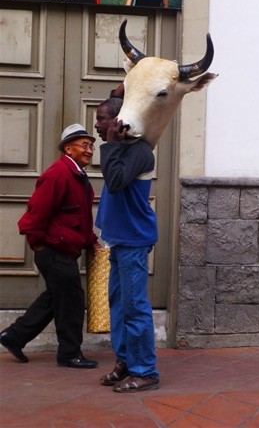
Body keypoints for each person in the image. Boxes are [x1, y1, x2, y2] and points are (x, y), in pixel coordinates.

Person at [0, 124, 99, 369]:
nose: (90, 151)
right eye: (84, 145)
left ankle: (14, 336)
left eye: (91, 146)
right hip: (53, 250)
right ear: (68, 148)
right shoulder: (58, 174)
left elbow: (80, 217)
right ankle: (69, 353)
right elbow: (36, 214)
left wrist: (90, 242)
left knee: (55, 297)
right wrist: (39, 244)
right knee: (72, 300)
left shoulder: (76, 174)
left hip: (61, 249)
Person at [94, 97, 160, 393]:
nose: (96, 125)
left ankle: (145, 370)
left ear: (118, 122)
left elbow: (116, 180)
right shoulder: (125, 148)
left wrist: (109, 143)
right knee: (119, 307)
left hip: (133, 239)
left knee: (134, 307)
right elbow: (120, 97)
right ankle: (125, 361)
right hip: (120, 238)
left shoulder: (141, 152)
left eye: (101, 120)